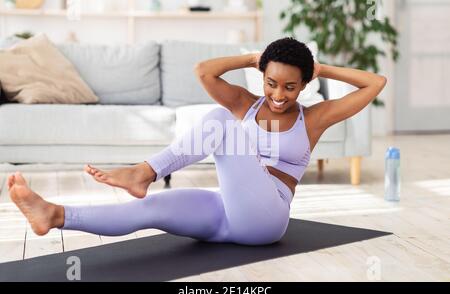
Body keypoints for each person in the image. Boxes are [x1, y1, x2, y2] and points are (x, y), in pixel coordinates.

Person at [8, 37, 386, 245]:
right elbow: (202, 71)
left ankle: (145, 171)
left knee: (221, 122)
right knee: (150, 210)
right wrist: (253, 58)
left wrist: (320, 69)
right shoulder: (246, 103)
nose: (280, 94)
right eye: (272, 83)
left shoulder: (313, 118)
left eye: (291, 86)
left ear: (304, 85)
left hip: (267, 218)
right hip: (227, 213)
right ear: (263, 78)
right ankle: (55, 216)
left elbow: (375, 83)